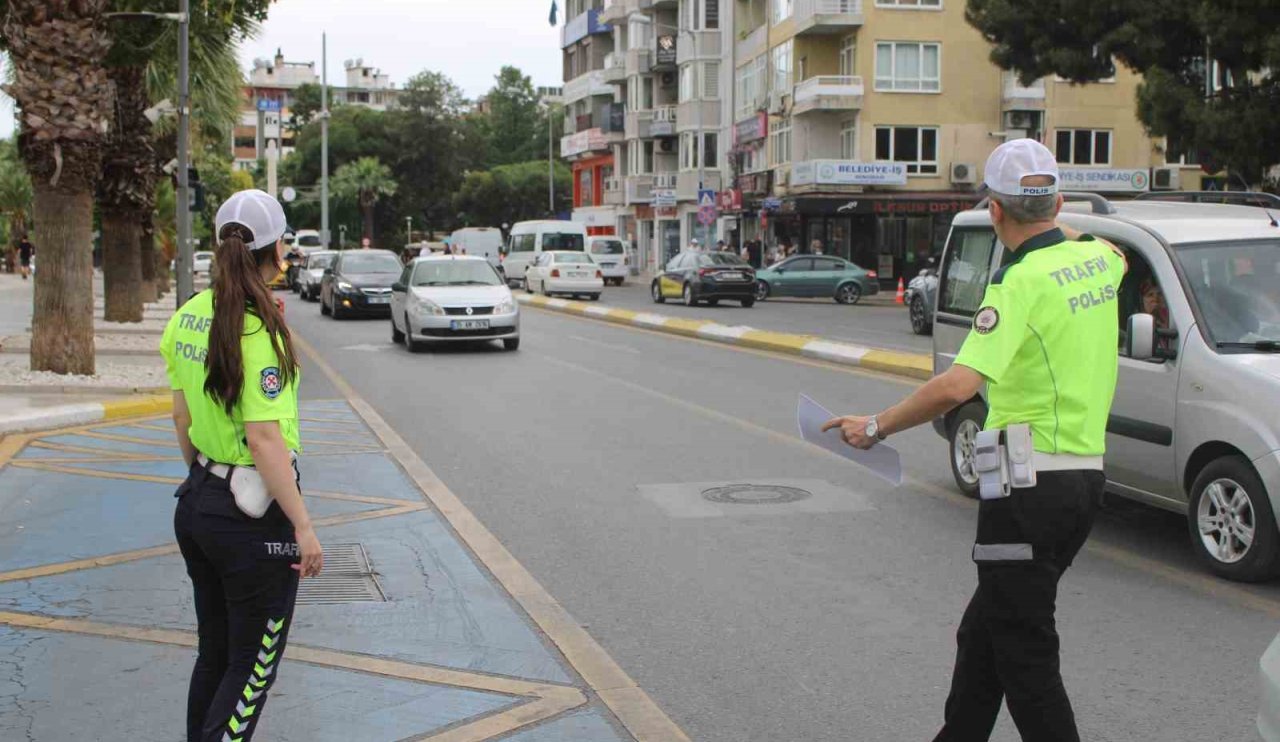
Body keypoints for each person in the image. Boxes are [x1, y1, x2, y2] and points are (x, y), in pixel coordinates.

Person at [822, 139, 1127, 742]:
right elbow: (1111, 244)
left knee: (1024, 652)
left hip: (1025, 494)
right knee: (986, 631)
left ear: (994, 212)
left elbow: (958, 384)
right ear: (1057, 201)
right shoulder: (1100, 260)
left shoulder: (1017, 285)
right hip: (1081, 485)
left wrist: (875, 426)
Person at [162, 189, 323, 742]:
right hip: (251, 522)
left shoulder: (187, 316)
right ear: (276, 249)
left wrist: (205, 481)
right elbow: (264, 439)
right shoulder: (259, 329)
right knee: (252, 666)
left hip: (199, 503)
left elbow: (181, 415)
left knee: (217, 654)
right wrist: (302, 526)